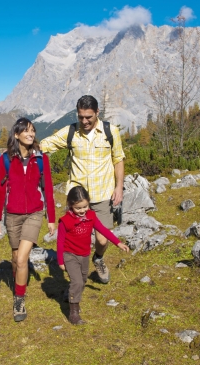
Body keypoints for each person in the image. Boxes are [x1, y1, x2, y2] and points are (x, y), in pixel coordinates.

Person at [40, 95, 125, 284]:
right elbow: (45, 145)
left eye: (88, 117)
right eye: (81, 117)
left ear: (97, 113)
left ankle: (98, 258)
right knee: (74, 238)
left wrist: (119, 187)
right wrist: (18, 147)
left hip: (103, 193)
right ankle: (75, 274)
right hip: (77, 197)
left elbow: (118, 159)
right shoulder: (71, 132)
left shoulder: (111, 132)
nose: (84, 121)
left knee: (102, 240)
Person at [0, 117, 56, 322]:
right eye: (26, 131)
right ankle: (19, 278)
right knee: (15, 258)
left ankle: (19, 299)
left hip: (34, 213)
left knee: (21, 259)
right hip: (12, 215)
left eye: (33, 131)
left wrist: (51, 218)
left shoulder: (41, 159)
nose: (31, 134)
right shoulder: (5, 160)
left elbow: (48, 190)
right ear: (16, 135)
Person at [56, 186, 129, 324]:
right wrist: (60, 261)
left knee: (82, 281)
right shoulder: (65, 221)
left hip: (84, 255)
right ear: (71, 205)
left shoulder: (91, 216)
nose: (82, 210)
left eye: (85, 206)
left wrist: (118, 243)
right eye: (78, 208)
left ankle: (70, 294)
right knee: (77, 281)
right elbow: (60, 242)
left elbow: (103, 230)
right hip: (70, 255)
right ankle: (74, 312)